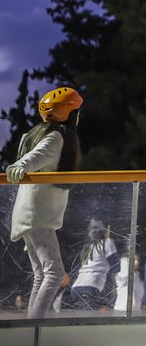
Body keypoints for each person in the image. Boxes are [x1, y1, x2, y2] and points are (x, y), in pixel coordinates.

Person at [5, 86, 83, 319]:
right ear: (69, 114)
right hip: (37, 216)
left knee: (42, 273)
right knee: (55, 274)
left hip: (30, 214)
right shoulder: (56, 137)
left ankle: (32, 328)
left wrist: (20, 164)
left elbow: (33, 155)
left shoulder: (36, 134)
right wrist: (18, 166)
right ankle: (34, 327)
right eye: (77, 111)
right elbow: (33, 158)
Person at [67, 218, 119, 310]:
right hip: (90, 288)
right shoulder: (107, 243)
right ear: (107, 229)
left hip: (76, 288)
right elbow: (116, 267)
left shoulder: (88, 247)